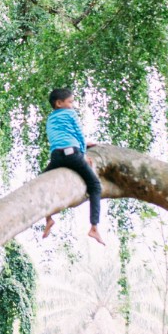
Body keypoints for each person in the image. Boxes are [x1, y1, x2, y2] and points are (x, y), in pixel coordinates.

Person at [39, 87, 104, 245]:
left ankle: (48, 218)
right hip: (72, 154)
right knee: (95, 186)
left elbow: (61, 136)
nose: (72, 105)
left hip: (56, 157)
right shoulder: (70, 114)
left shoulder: (50, 119)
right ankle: (94, 227)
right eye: (70, 102)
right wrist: (82, 153)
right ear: (59, 103)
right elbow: (78, 133)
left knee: (43, 182)